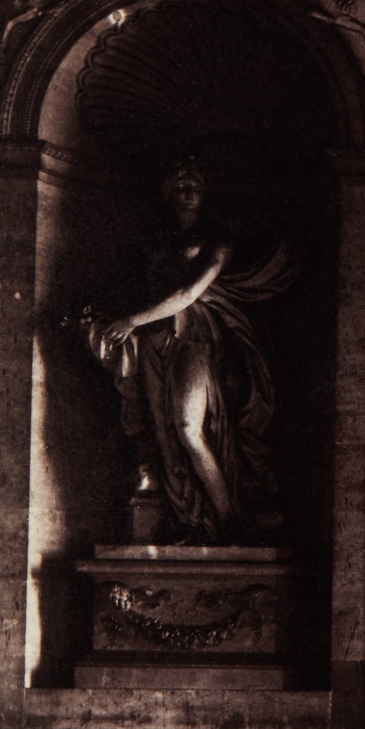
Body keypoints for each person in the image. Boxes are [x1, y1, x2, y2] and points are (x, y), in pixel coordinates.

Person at [86, 158, 295, 544]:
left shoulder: (218, 240)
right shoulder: (156, 241)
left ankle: (230, 523)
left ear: (208, 189)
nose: (188, 183)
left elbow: (187, 294)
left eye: (196, 176)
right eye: (180, 176)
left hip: (195, 338)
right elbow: (138, 289)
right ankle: (190, 523)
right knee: (164, 434)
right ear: (166, 188)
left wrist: (130, 320)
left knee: (188, 427)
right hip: (152, 341)